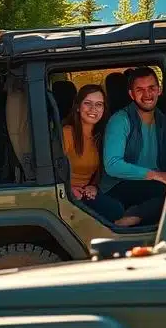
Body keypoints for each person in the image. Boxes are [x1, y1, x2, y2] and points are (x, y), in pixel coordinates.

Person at [61, 84, 144, 227]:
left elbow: (101, 170)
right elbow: (51, 167)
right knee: (115, 210)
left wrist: (94, 186)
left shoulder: (100, 136)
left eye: (99, 105)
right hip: (65, 194)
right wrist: (69, 188)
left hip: (86, 191)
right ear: (78, 107)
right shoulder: (67, 133)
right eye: (88, 103)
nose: (93, 109)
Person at [101, 67, 166, 225]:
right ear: (131, 94)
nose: (147, 95)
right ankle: (129, 220)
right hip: (119, 185)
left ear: (159, 90)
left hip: (151, 185)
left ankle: (135, 216)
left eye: (151, 88)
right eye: (140, 90)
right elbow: (112, 165)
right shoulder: (121, 120)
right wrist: (157, 175)